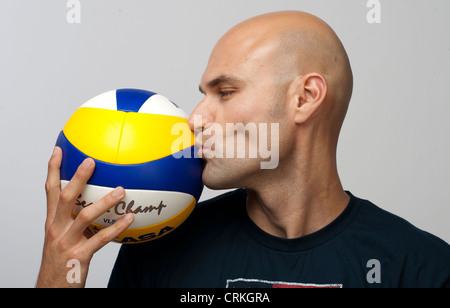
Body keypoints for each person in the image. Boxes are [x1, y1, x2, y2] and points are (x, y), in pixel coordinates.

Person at [37, 11, 450, 288]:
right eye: (204, 94)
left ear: (305, 98)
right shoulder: (158, 247)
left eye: (226, 91)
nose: (195, 120)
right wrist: (60, 274)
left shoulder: (419, 269)